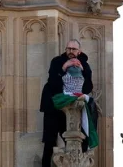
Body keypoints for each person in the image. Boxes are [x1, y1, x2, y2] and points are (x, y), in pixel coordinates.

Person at [40, 39, 93, 167]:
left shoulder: (85, 65)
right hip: (53, 108)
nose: (70, 51)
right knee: (49, 143)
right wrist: (64, 68)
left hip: (73, 110)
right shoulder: (57, 62)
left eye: (73, 49)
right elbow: (53, 83)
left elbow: (88, 88)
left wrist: (82, 70)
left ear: (79, 51)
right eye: (68, 48)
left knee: (79, 142)